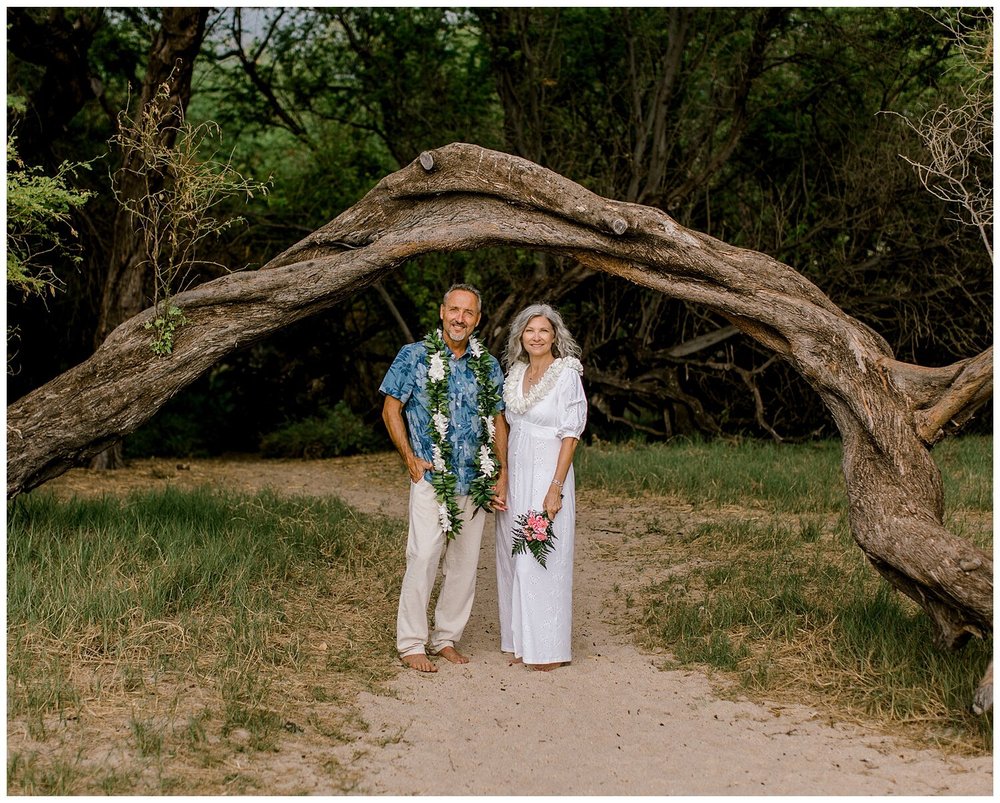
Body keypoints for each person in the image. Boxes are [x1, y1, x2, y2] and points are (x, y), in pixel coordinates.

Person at [380, 283, 508, 673]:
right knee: (422, 558)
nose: (460, 319)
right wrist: (410, 459)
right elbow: (391, 408)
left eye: (468, 313)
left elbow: (499, 419)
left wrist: (501, 471)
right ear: (442, 312)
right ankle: (412, 642)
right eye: (454, 310)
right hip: (432, 480)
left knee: (465, 565)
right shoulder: (414, 356)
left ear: (477, 320)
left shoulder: (487, 364)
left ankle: (446, 637)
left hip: (476, 480)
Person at [495, 304, 586, 671]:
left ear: (554, 336)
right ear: (520, 336)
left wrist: (555, 487)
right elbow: (503, 423)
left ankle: (547, 649)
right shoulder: (514, 374)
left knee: (541, 556)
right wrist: (501, 474)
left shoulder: (566, 375)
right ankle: (520, 640)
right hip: (516, 471)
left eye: (543, 331)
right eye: (529, 330)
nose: (536, 336)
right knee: (512, 556)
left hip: (548, 471)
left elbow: (571, 433)